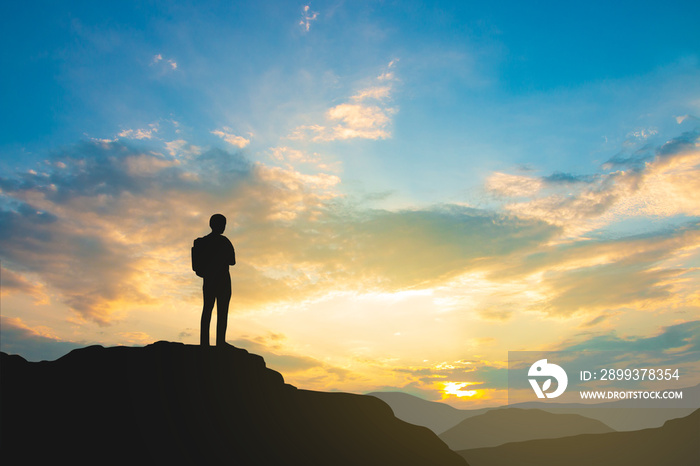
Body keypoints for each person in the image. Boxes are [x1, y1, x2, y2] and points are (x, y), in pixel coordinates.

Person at [192, 213, 236, 346]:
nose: (224, 227)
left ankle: (204, 342)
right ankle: (220, 342)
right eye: (222, 224)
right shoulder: (224, 242)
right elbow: (232, 261)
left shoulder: (203, 242)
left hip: (209, 280)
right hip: (222, 280)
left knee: (207, 309)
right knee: (222, 312)